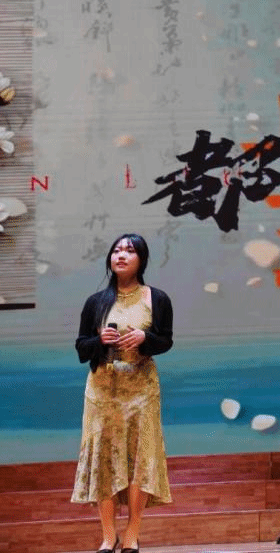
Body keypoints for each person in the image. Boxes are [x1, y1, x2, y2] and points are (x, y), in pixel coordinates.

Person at [72, 233, 174, 553]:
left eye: (129, 251)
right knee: (103, 459)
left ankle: (131, 532)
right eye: (116, 250)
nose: (121, 255)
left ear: (141, 259)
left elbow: (166, 341)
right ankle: (108, 535)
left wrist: (145, 338)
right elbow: (81, 348)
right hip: (102, 390)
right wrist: (99, 341)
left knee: (140, 460)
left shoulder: (157, 298)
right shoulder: (95, 302)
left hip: (141, 388)